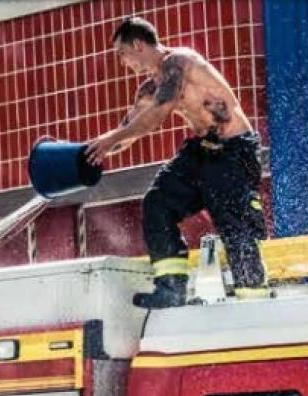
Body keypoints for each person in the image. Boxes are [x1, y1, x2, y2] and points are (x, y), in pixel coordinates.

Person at [85, 16, 268, 309]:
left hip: (233, 150)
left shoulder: (179, 62)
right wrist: (91, 153)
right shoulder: (149, 89)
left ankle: (253, 300)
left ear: (138, 45)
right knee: (157, 203)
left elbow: (158, 114)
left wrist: (110, 139)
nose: (122, 62)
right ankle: (170, 289)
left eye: (122, 53)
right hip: (201, 151)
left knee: (234, 222)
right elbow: (129, 130)